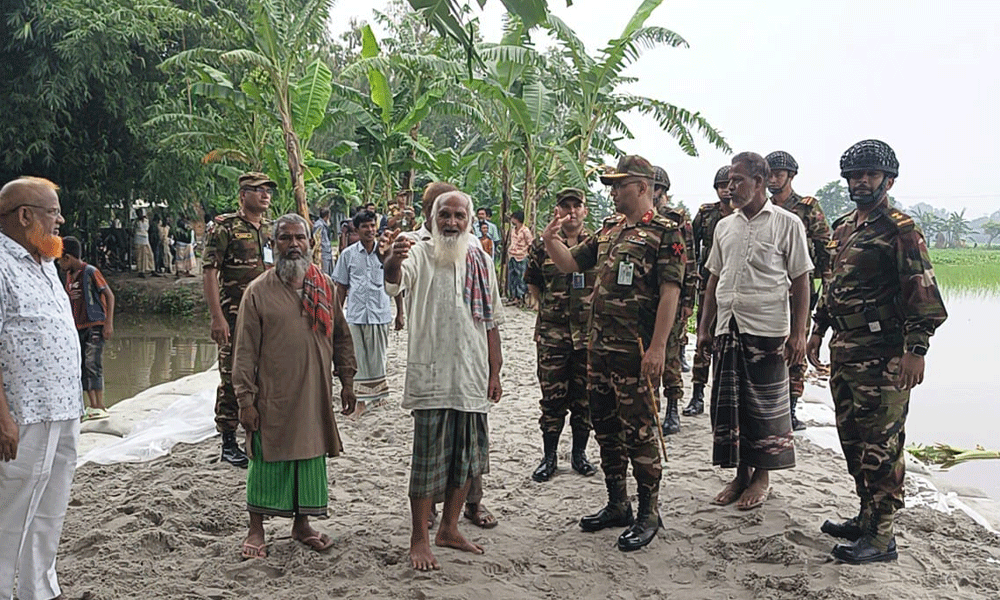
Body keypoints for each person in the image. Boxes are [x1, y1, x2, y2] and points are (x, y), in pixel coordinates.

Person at [807, 140, 947, 565]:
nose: (860, 182)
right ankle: (866, 516)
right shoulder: (843, 227)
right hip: (846, 350)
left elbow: (922, 295)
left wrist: (915, 351)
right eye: (854, 175)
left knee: (882, 446)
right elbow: (832, 288)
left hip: (884, 354)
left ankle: (883, 536)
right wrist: (818, 328)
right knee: (852, 438)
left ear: (888, 179)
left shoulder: (901, 230)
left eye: (869, 175)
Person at [542, 155, 686, 552]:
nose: (613, 192)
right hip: (599, 348)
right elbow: (571, 264)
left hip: (635, 351)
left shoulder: (664, 233)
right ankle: (617, 503)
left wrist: (658, 348)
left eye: (619, 185)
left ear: (642, 187)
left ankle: (648, 513)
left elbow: (671, 293)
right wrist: (551, 240)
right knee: (606, 428)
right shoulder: (608, 231)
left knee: (639, 432)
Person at [384, 190, 504, 571]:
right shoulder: (418, 251)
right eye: (445, 215)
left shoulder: (482, 259)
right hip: (432, 376)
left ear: (469, 219)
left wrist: (495, 371)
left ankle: (449, 528)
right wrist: (390, 262)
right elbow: (395, 281)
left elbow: (492, 320)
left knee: (468, 462)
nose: (451, 222)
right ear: (432, 217)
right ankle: (419, 538)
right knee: (427, 462)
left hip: (472, 376)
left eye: (459, 215)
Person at [232, 213, 358, 560]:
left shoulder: (325, 286)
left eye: (299, 238)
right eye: (285, 239)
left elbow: (343, 338)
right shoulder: (257, 292)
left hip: (315, 394)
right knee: (265, 457)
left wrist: (347, 381)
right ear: (273, 245)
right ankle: (256, 530)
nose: (293, 245)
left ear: (310, 243)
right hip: (272, 394)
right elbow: (243, 351)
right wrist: (245, 399)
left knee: (310, 458)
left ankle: (302, 525)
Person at [696, 152, 813, 511]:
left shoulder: (787, 223)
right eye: (729, 180)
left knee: (764, 408)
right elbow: (714, 276)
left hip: (767, 329)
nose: (730, 186)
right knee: (731, 408)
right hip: (728, 327)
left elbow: (801, 280)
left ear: (760, 182)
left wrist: (798, 334)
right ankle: (740, 475)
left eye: (738, 180)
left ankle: (762, 478)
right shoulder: (723, 226)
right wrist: (704, 328)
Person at [0, 176, 83, 600]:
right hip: (23, 413)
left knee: (49, 509)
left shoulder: (46, 263)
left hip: (63, 406)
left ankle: (39, 591)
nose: (60, 220)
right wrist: (3, 418)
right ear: (25, 215)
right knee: (10, 511)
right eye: (53, 212)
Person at [202, 172, 275, 468]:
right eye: (258, 190)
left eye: (268, 191)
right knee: (232, 375)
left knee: (265, 373)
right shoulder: (225, 227)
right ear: (243, 194)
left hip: (266, 315)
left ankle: (256, 435)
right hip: (234, 314)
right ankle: (228, 441)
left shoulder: (270, 229)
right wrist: (217, 317)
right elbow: (209, 272)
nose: (265, 195)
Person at [524, 187, 597, 482]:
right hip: (553, 334)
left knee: (585, 400)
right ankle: (549, 457)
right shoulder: (543, 246)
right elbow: (533, 281)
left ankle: (579, 454)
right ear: (557, 211)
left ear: (585, 210)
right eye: (564, 206)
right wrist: (542, 308)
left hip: (587, 335)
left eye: (576, 205)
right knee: (552, 398)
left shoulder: (595, 244)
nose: (571, 211)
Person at [766, 150, 834, 430]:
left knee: (796, 345)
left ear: (791, 176)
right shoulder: (763, 208)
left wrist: (826, 284)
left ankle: (791, 407)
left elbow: (825, 246)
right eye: (769, 174)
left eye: (778, 174)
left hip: (799, 289)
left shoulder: (807, 209)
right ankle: (771, 403)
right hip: (769, 288)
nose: (773, 180)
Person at [332, 210, 395, 418]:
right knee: (357, 358)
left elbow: (396, 283)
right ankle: (360, 400)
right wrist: (337, 313)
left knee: (378, 357)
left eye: (372, 226)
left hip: (380, 312)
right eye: (365, 226)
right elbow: (341, 286)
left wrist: (401, 313)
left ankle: (378, 397)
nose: (370, 230)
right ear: (357, 230)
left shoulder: (387, 252)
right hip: (356, 314)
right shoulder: (348, 255)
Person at [652, 165, 698, 435]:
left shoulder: (677, 220)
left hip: (673, 296)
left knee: (670, 357)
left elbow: (689, 263)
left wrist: (687, 302)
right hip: (647, 298)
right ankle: (653, 406)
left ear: (661, 191)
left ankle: (672, 408)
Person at [685, 166, 734, 417]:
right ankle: (697, 394)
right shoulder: (706, 213)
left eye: (729, 184)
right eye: (721, 185)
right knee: (705, 338)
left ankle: (723, 396)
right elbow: (691, 247)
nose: (726, 189)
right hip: (708, 285)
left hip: (735, 286)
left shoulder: (745, 215)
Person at [59, 236, 116, 420]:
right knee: (82, 365)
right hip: (78, 326)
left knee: (93, 363)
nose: (59, 264)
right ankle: (91, 405)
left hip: (94, 325)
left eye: (60, 259)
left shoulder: (90, 271)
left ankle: (99, 404)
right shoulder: (68, 277)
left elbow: (109, 295)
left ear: (68, 257)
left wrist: (108, 323)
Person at [505, 210, 533, 307]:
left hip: (521, 256)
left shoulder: (525, 231)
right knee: (512, 277)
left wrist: (528, 255)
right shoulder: (513, 230)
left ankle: (521, 297)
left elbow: (530, 243)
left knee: (521, 277)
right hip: (512, 255)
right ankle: (514, 297)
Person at [312, 207, 334, 276]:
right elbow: (316, 239)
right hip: (322, 253)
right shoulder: (319, 225)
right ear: (328, 216)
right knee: (324, 274)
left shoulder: (323, 224)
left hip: (327, 252)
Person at [133, 208, 155, 277]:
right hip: (139, 239)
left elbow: (147, 229)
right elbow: (133, 230)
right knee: (140, 256)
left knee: (149, 254)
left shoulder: (146, 220)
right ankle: (141, 271)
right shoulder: (135, 222)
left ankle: (151, 269)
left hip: (145, 238)